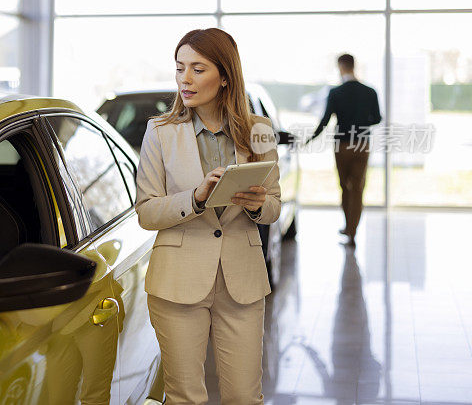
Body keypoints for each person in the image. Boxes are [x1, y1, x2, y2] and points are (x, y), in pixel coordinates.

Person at [135, 28, 281, 405]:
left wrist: (256, 204)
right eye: (180, 67)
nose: (185, 79)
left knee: (245, 398)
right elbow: (147, 212)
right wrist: (195, 198)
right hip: (177, 284)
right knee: (184, 397)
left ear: (225, 75)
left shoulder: (259, 131)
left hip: (242, 283)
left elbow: (275, 206)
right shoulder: (160, 132)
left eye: (198, 69)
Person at [307, 54, 381, 247]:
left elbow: (325, 120)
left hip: (342, 145)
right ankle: (352, 233)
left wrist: (309, 139)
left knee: (344, 187)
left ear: (341, 67)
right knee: (358, 188)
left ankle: (348, 227)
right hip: (362, 145)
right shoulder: (370, 92)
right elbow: (377, 118)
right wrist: (362, 120)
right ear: (353, 66)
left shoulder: (336, 92)